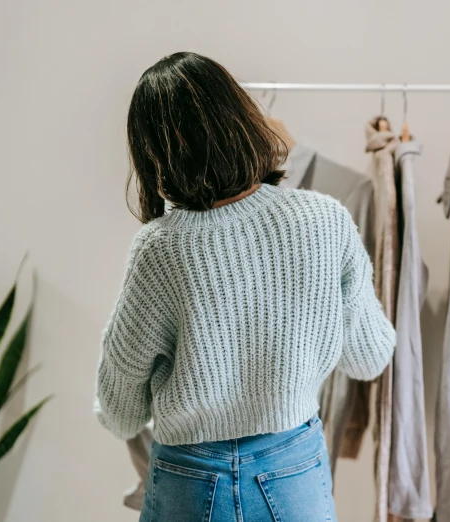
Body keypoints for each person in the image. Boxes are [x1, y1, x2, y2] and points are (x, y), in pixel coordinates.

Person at [94, 52, 395, 522]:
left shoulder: (159, 250)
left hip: (188, 479)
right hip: (293, 469)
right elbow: (370, 356)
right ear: (241, 119)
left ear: (153, 154)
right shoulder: (325, 220)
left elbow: (120, 411)